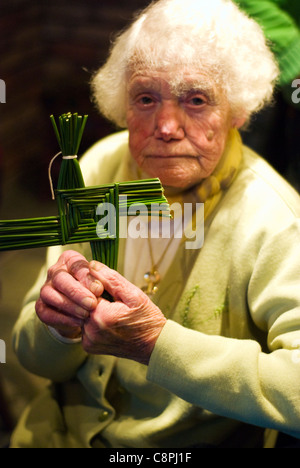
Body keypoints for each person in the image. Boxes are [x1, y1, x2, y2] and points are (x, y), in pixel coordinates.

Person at [11, 0, 300, 448]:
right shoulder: (95, 167)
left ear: (238, 111)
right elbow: (35, 359)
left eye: (196, 100)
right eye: (146, 99)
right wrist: (56, 328)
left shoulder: (276, 220)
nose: (165, 126)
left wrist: (157, 344)